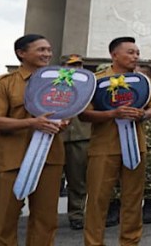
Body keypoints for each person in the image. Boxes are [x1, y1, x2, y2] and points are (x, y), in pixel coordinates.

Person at [0, 34, 66, 246]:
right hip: (13, 160)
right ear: (21, 53)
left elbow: (67, 114)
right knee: (6, 220)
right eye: (41, 50)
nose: (47, 54)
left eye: (48, 49)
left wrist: (63, 122)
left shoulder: (60, 82)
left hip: (49, 159)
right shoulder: (3, 84)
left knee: (46, 220)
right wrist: (31, 123)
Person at [81, 37, 151, 246]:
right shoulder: (97, 81)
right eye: (130, 52)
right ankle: (93, 242)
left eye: (137, 53)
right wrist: (112, 114)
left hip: (136, 146)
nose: (135, 56)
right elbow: (84, 114)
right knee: (98, 201)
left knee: (133, 199)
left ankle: (130, 242)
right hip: (104, 147)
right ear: (114, 55)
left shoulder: (142, 81)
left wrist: (144, 115)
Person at [60, 54, 91, 230]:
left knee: (78, 180)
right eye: (71, 66)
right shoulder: (52, 86)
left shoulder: (88, 86)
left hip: (81, 136)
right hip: (55, 136)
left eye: (79, 66)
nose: (76, 69)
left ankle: (76, 214)